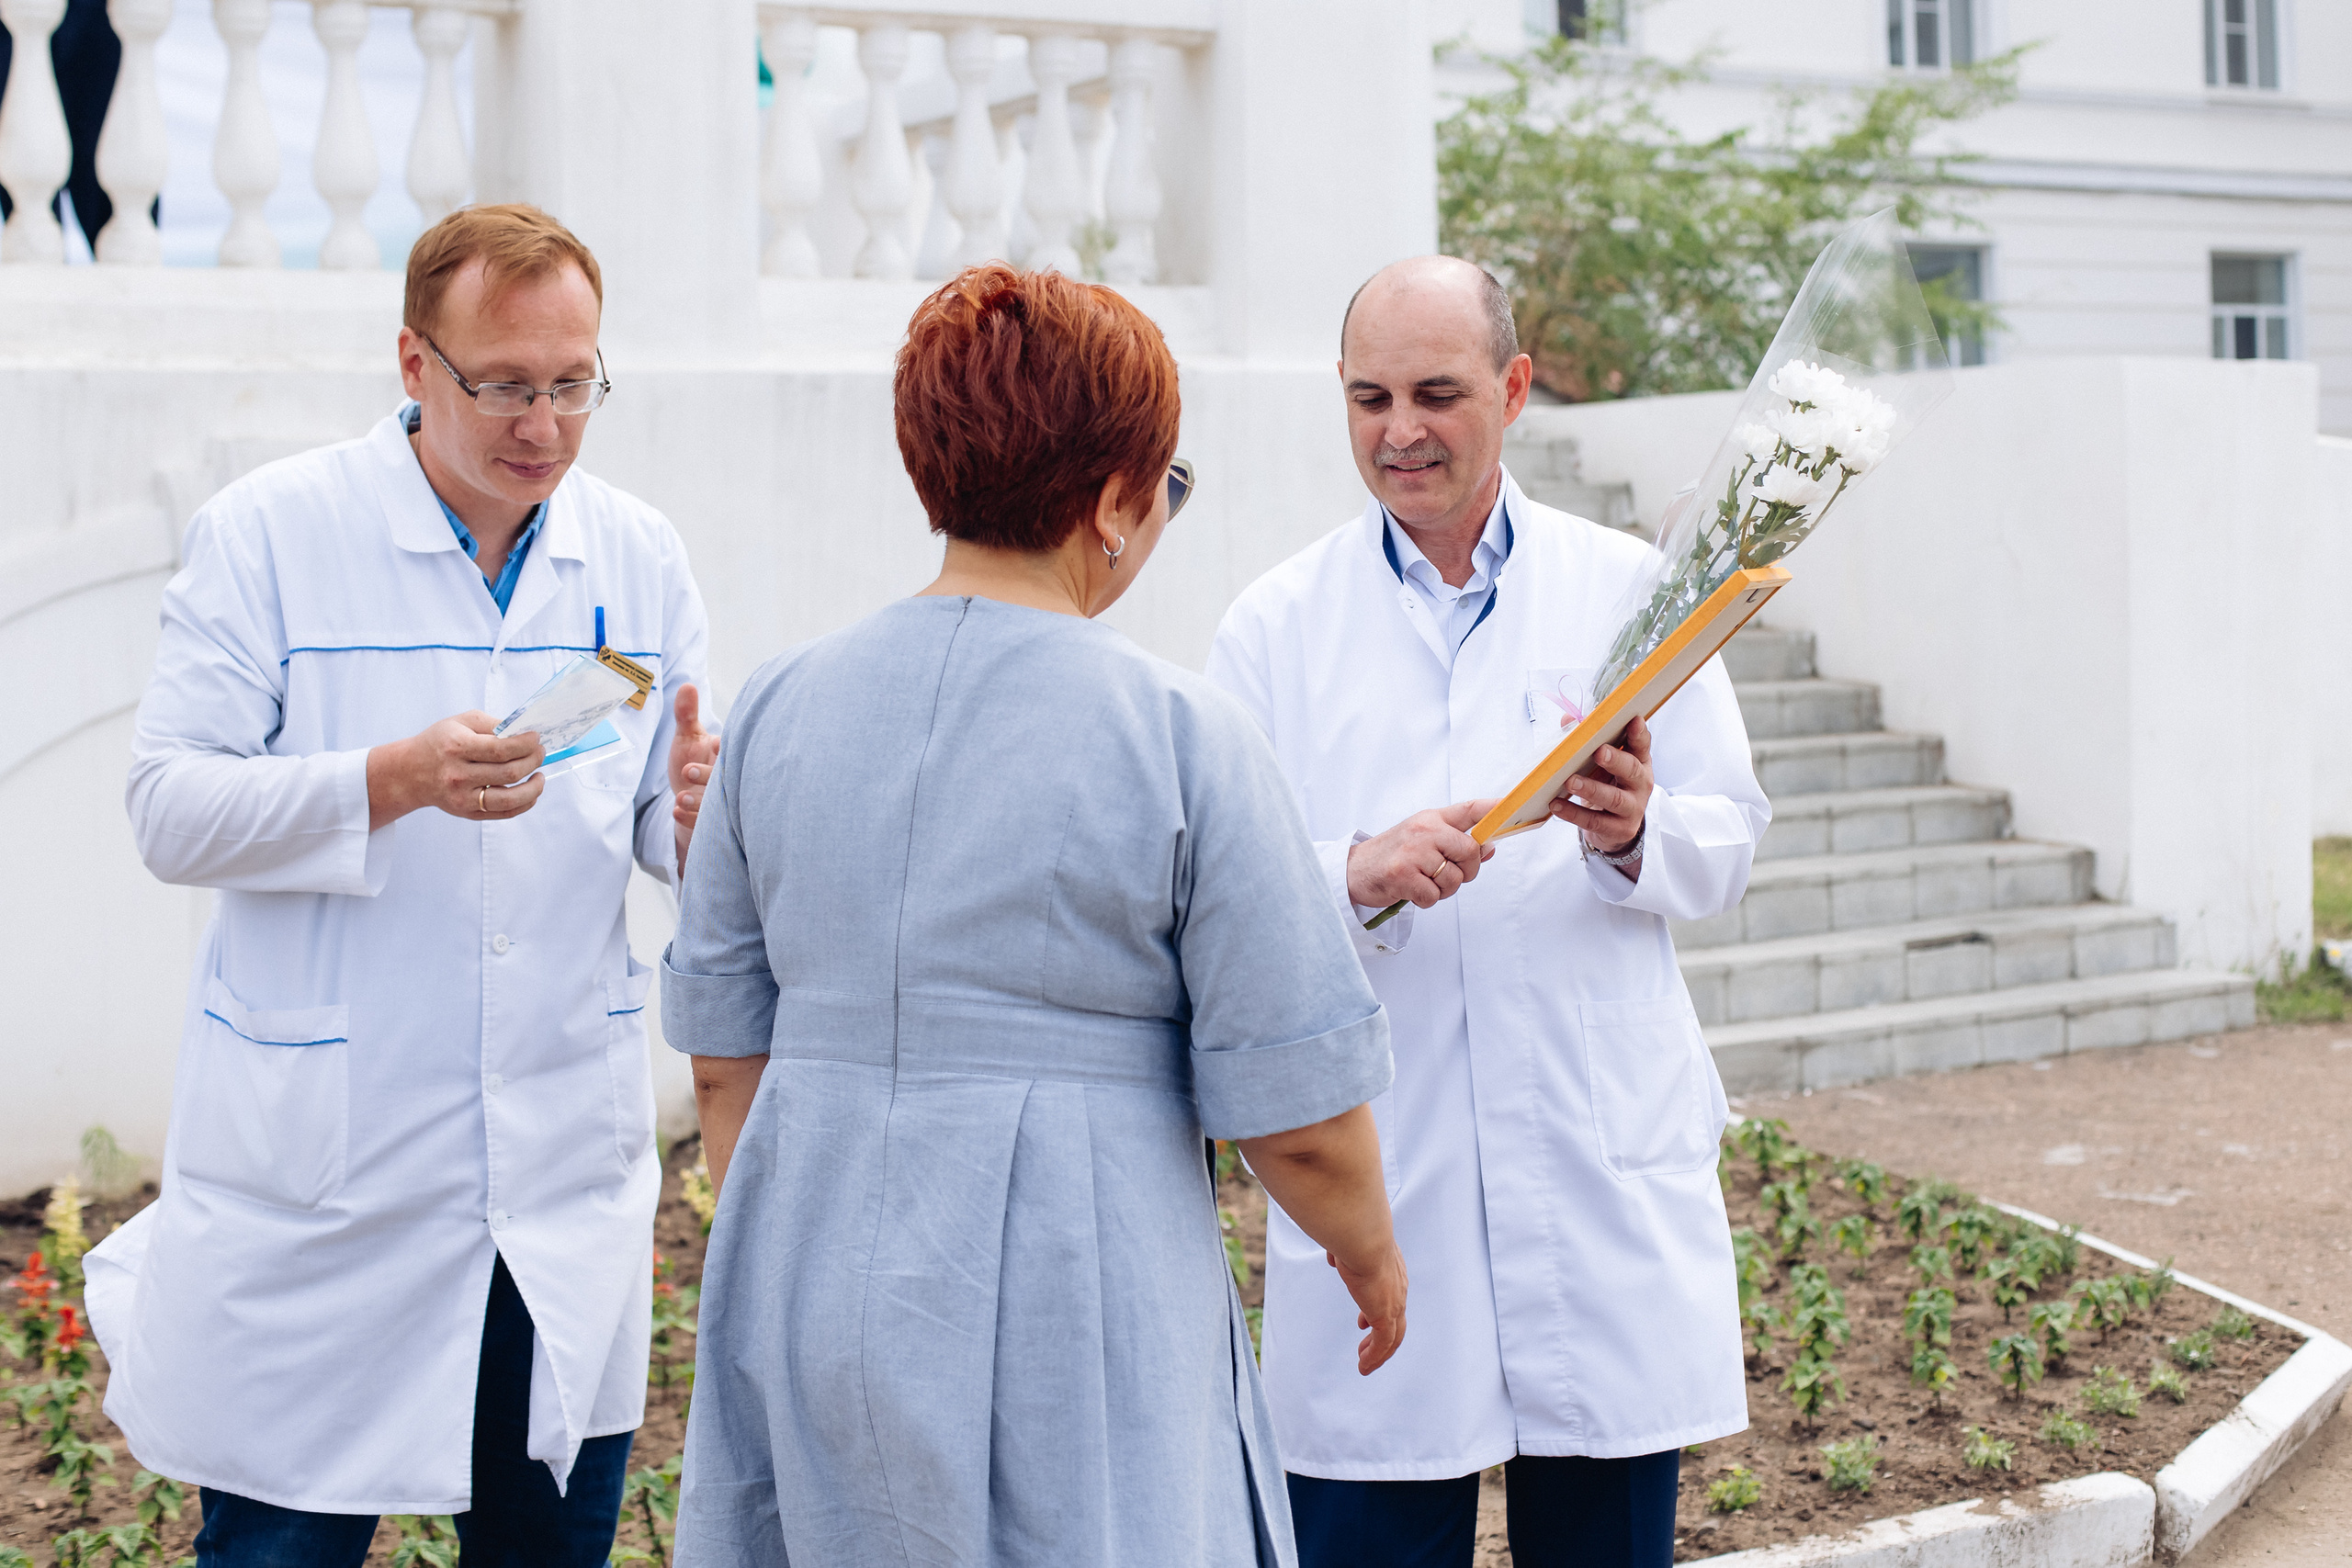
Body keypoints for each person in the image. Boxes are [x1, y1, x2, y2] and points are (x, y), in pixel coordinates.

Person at [662, 263, 1408, 1567]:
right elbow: (1297, 1121)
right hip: (1081, 1286)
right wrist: (1371, 1259)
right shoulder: (1180, 734)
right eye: (1166, 484)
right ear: (1114, 499)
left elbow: (727, 1059)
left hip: (813, 1268)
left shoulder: (778, 706)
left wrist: (799, 1239)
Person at [85, 204, 718, 1566]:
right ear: (415, 363)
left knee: (547, 1545)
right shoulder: (271, 534)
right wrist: (389, 779)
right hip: (330, 1181)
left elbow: (665, 840)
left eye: (573, 385)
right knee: (281, 1547)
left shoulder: (637, 555)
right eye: (504, 385)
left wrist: (694, 822)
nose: (543, 426)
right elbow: (170, 809)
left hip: (558, 1172)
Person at [1204, 255, 1770, 1568]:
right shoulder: (1273, 629)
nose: (1400, 430)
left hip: (1592, 1165)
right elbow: (1216, 893)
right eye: (1370, 398)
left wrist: (1636, 831)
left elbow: (1729, 841)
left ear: (1513, 390)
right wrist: (1352, 869)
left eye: (1438, 394)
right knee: (1372, 1524)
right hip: (1386, 1178)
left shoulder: (1633, 592)